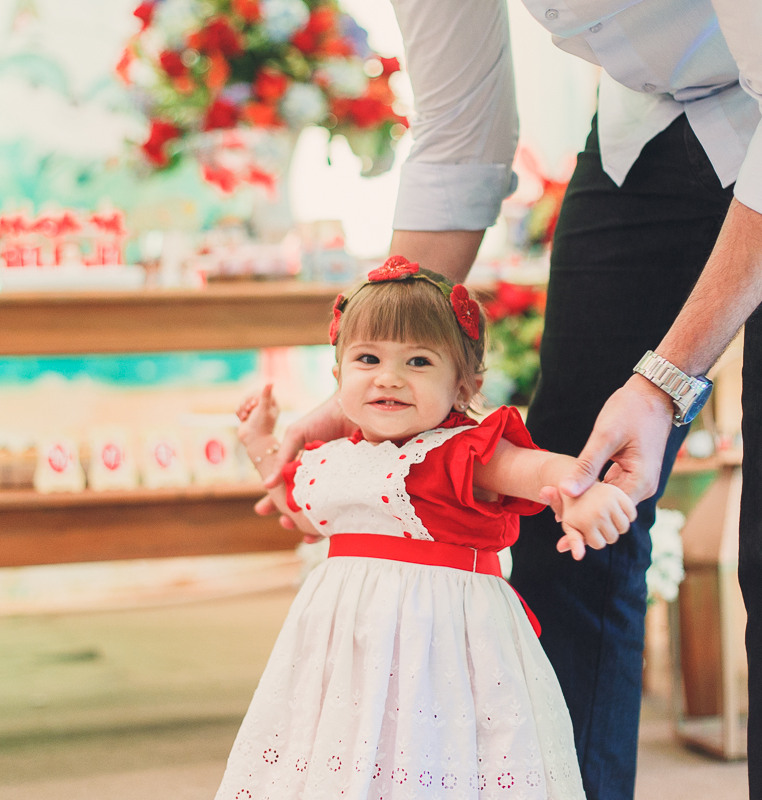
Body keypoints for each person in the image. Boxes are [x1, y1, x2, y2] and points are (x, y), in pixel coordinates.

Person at [263, 2, 762, 798]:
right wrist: (380, 369)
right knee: (568, 496)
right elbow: (460, 136)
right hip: (657, 107)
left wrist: (665, 380)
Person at [215, 257, 637, 800]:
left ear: (464, 385)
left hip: (443, 648)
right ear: (338, 378)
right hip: (344, 655)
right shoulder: (333, 459)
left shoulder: (459, 452)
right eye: (368, 358)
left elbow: (536, 470)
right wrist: (259, 442)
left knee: (436, 760)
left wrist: (582, 490)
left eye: (418, 361)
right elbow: (299, 511)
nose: (389, 377)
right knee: (345, 757)